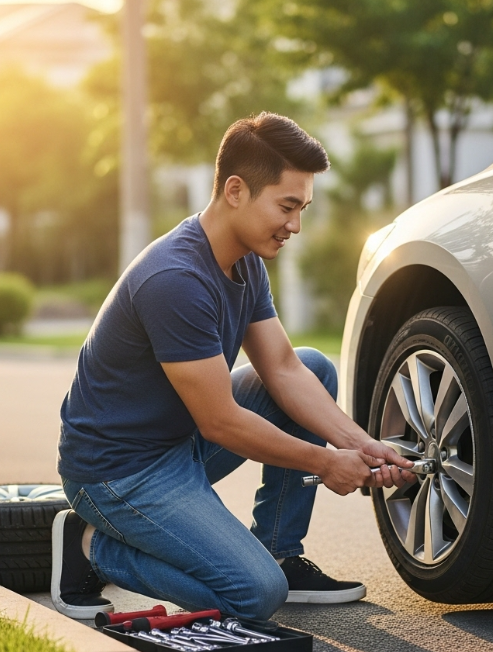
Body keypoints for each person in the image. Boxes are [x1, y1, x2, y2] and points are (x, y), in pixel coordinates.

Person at [52, 112, 415, 621]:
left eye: (303, 208)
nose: (296, 225)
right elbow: (220, 421)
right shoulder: (176, 278)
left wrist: (359, 443)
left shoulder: (244, 261)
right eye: (287, 206)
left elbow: (284, 369)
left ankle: (278, 552)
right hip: (121, 472)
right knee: (255, 595)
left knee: (313, 366)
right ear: (236, 190)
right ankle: (92, 546)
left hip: (178, 442)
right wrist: (326, 463)